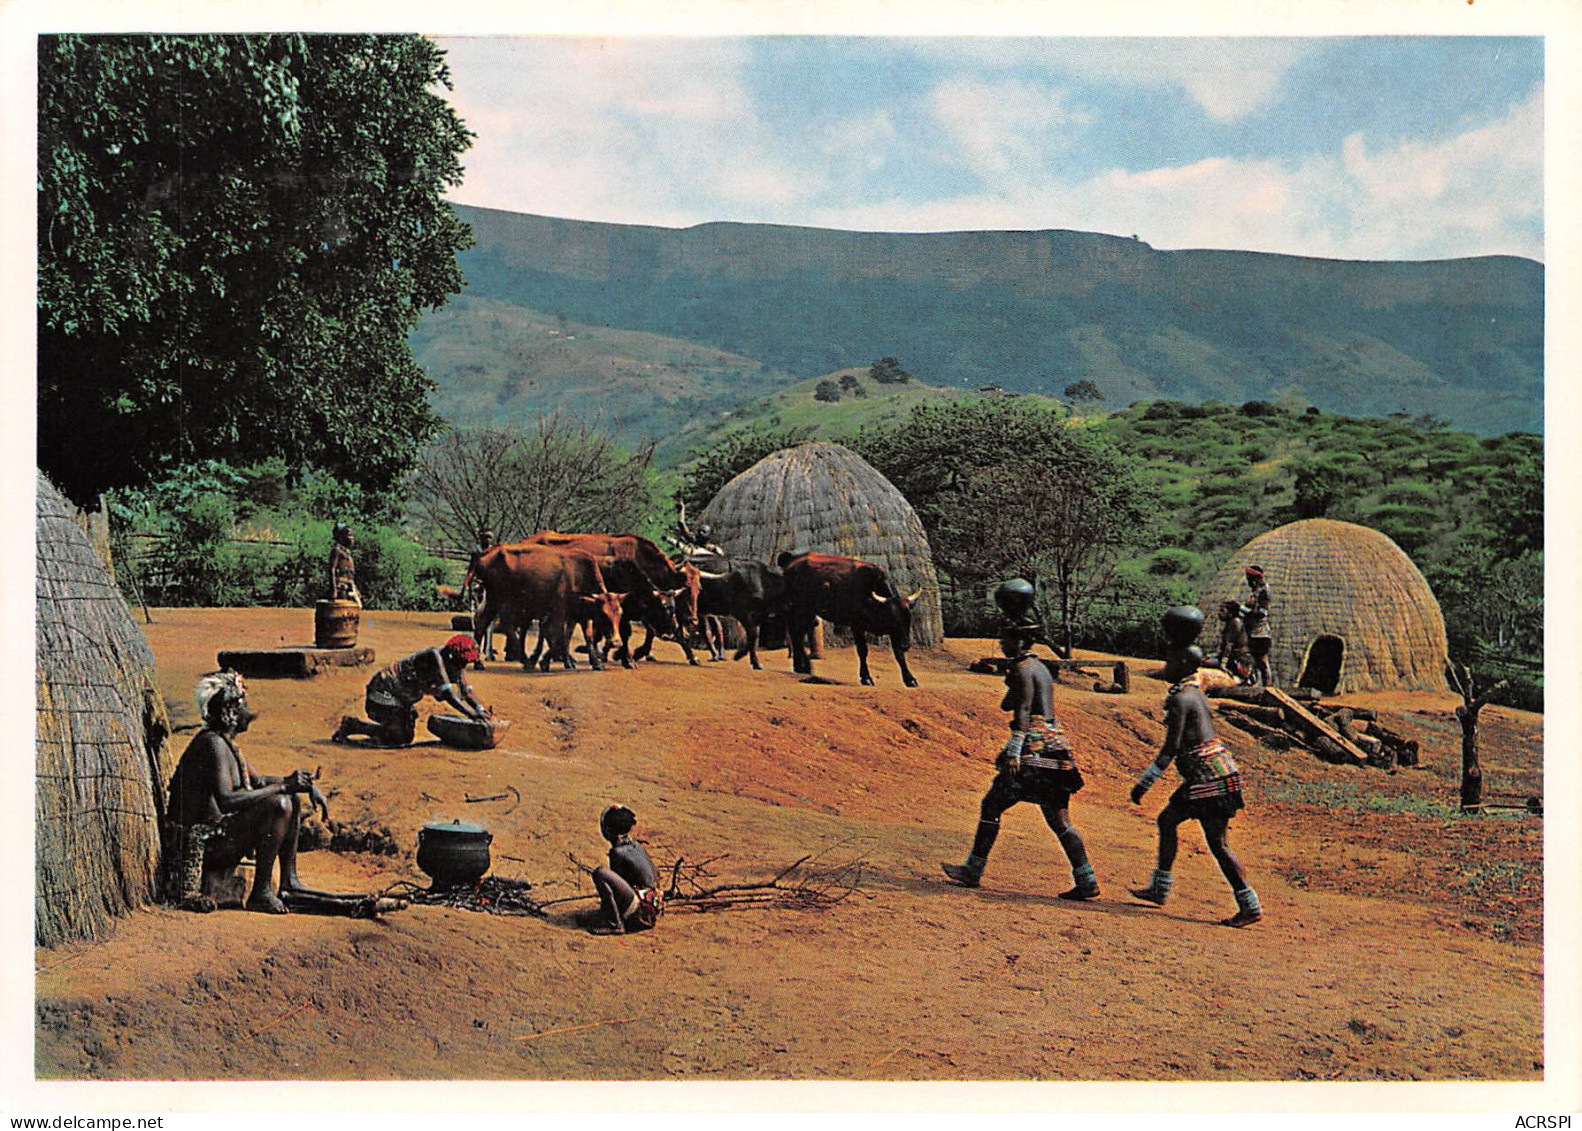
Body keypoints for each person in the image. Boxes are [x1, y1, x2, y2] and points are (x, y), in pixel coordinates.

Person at [941, 619, 1100, 900]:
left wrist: (1015, 750)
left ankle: (973, 870)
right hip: (1057, 747)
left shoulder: (1021, 668)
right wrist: (1010, 683)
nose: (1001, 644)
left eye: (1006, 639)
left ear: (1020, 642)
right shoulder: (1039, 668)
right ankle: (1086, 879)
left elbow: (1023, 709)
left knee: (991, 804)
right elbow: (1011, 702)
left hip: (1033, 749)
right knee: (1060, 820)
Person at [167, 671, 331, 914]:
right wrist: (284, 785)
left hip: (217, 836)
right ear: (230, 710)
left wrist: (304, 785)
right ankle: (261, 892)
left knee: (291, 799)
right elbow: (227, 801)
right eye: (243, 703)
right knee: (279, 804)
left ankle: (289, 882)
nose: (248, 711)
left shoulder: (224, 742)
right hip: (204, 845)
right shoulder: (213, 744)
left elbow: (261, 780)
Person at [1129, 631, 1262, 927]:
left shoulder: (1181, 699)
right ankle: (1159, 888)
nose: (1165, 666)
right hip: (1214, 773)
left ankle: (1249, 904)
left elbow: (1171, 747)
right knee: (1169, 822)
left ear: (1181, 664)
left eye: (1170, 661)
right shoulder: (1193, 693)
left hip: (1208, 778)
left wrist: (1146, 782)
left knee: (1218, 843)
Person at [332, 635, 489, 747]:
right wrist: (471, 715)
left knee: (406, 737)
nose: (463, 666)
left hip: (400, 699)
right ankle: (353, 726)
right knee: (397, 737)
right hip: (381, 695)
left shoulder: (455, 664)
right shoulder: (434, 657)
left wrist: (480, 709)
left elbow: (466, 691)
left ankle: (358, 726)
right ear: (451, 654)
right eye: (463, 661)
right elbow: (448, 694)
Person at [589, 804, 663, 935]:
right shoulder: (636, 846)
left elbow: (616, 892)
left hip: (641, 914)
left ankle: (615, 924)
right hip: (653, 906)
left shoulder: (617, 852)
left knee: (600, 873)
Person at [1241, 565, 1273, 687]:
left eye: (1249, 579)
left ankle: (1267, 688)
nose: (1248, 582)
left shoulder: (1264, 591)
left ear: (1254, 579)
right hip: (1252, 632)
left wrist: (1241, 609)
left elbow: (1262, 613)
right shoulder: (1256, 591)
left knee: (1262, 662)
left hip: (1260, 633)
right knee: (1253, 660)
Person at [472, 528, 500, 662]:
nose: (488, 540)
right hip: (479, 588)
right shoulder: (476, 553)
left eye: (490, 537)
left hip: (492, 588)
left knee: (490, 622)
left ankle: (487, 650)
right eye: (486, 537)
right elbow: (472, 571)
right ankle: (478, 653)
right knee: (480, 620)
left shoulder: (493, 552)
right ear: (481, 538)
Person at [1212, 599, 1253, 685]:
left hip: (1238, 661)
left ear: (1230, 613)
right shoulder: (1231, 622)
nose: (1219, 613)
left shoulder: (1235, 622)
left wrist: (1223, 664)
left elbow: (1229, 645)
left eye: (1222, 610)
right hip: (1233, 658)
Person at [329, 522, 361, 607]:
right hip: (341, 587)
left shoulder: (346, 552)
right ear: (341, 536)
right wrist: (334, 589)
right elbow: (332, 569)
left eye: (352, 536)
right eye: (349, 535)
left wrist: (354, 587)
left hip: (348, 585)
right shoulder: (337, 551)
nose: (352, 538)